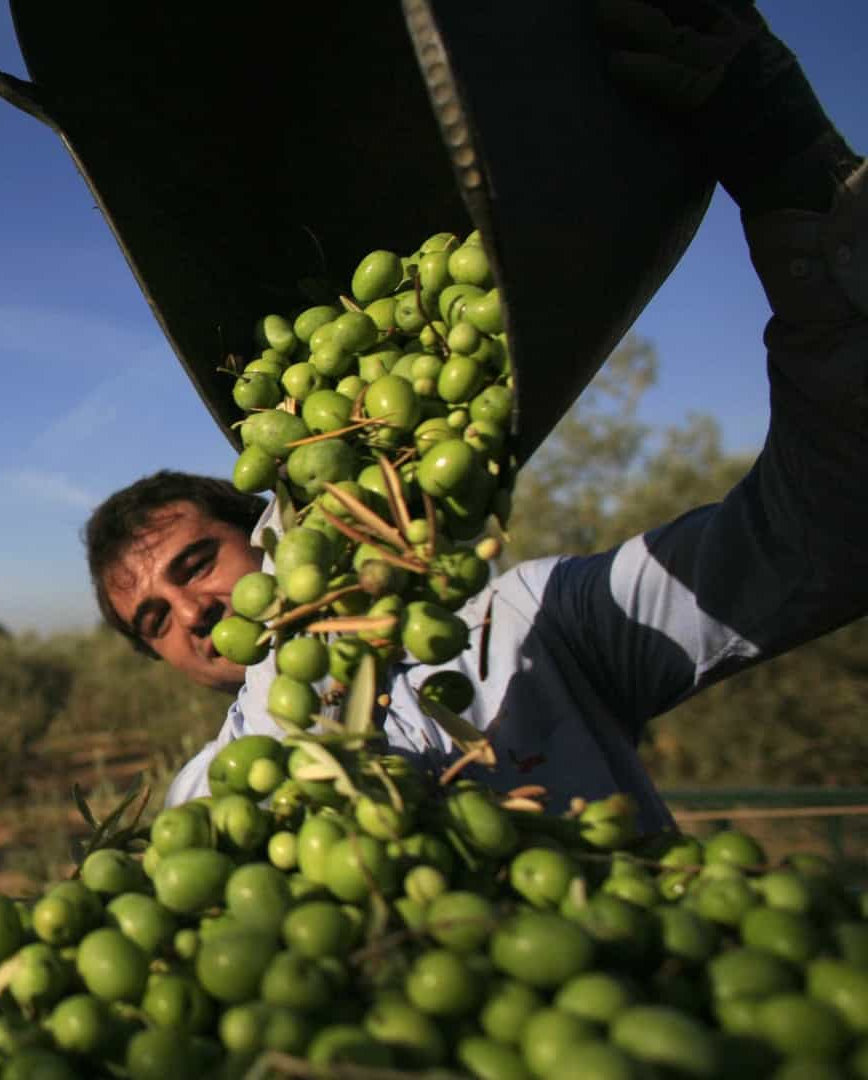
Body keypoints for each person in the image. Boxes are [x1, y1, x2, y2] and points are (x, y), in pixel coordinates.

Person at [83, 0, 866, 832]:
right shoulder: (204, 805)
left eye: (195, 561)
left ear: (270, 523)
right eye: (155, 620)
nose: (193, 611)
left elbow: (828, 533)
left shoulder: (529, 626)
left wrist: (799, 182)